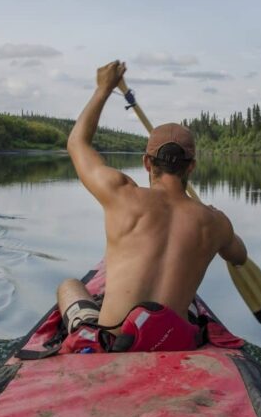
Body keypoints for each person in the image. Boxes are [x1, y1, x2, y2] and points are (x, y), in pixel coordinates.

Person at [56, 60, 248, 354]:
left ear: (147, 163)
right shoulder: (215, 222)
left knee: (69, 285)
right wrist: (215, 220)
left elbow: (77, 144)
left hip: (112, 344)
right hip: (171, 343)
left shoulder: (122, 195)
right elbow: (239, 256)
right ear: (192, 168)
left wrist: (104, 88)